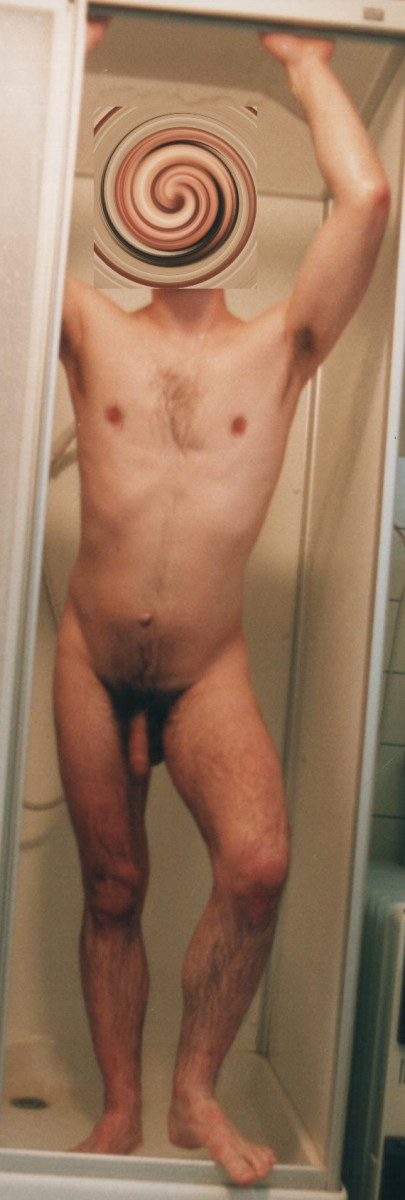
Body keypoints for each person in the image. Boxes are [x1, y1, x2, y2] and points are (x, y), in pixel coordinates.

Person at [56, 18, 390, 1188]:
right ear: (126, 209)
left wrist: (306, 68)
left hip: (207, 666)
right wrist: (58, 65)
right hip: (93, 655)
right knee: (113, 889)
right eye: (158, 188)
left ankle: (195, 1090)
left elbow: (366, 200)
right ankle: (120, 1112)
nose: (177, 212)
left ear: (234, 212)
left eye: (196, 189)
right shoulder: (89, 327)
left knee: (256, 866)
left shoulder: (282, 347)